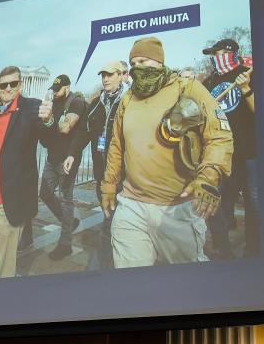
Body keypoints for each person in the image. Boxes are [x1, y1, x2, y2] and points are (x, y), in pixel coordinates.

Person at [100, 36, 233, 267]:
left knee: (186, 286)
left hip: (177, 209)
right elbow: (116, 145)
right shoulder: (127, 99)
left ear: (160, 62)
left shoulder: (187, 88)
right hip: (131, 206)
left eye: (144, 60)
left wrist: (209, 175)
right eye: (134, 64)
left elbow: (219, 134)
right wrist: (109, 185)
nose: (138, 68)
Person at [0, 66, 53, 279]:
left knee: (3, 267)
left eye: (13, 84)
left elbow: (48, 139)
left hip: (10, 202)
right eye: (4, 85)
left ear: (20, 85)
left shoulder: (32, 108)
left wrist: (49, 120)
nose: (8, 88)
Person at [64, 60, 126, 270]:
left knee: (112, 223)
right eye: (103, 75)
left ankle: (103, 264)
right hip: (101, 175)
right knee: (111, 217)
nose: (105, 79)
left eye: (110, 74)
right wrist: (72, 154)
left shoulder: (130, 102)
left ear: (121, 75)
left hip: (124, 176)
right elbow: (83, 132)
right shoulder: (95, 105)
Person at [202, 38, 258, 259]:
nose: (216, 58)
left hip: (250, 152)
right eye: (212, 55)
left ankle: (254, 250)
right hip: (222, 154)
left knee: (254, 203)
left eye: (218, 53)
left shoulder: (248, 73)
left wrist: (245, 89)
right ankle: (223, 248)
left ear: (230, 52)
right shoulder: (208, 83)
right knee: (216, 202)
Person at [38, 74, 85, 260]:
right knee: (45, 193)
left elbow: (66, 128)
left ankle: (65, 244)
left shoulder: (76, 102)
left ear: (67, 87)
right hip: (52, 157)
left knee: (66, 199)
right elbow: (44, 131)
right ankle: (69, 221)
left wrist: (49, 120)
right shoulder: (52, 103)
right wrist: (45, 120)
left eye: (58, 90)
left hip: (68, 159)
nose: (54, 93)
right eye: (53, 90)